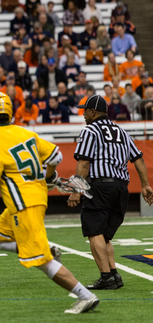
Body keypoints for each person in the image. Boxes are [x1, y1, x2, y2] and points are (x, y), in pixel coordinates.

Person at [0, 92, 99, 314]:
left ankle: (85, 296)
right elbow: (55, 157)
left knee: (40, 261)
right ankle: (45, 248)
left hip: (23, 203)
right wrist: (48, 177)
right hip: (34, 197)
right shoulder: (24, 132)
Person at [70, 95, 153, 290]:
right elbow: (138, 159)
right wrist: (145, 185)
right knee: (104, 235)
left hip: (100, 186)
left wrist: (76, 190)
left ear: (93, 112)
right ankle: (114, 275)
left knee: (94, 232)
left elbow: (83, 162)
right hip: (121, 188)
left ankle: (106, 276)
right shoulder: (121, 131)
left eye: (85, 111)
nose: (83, 114)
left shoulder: (90, 130)